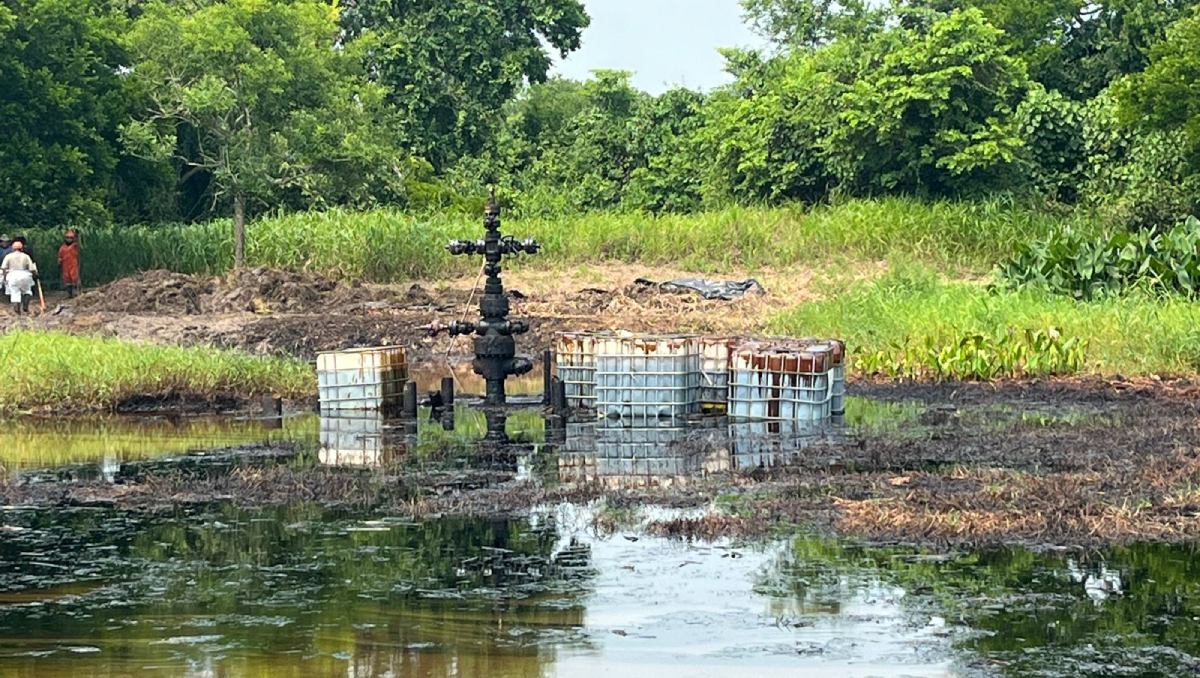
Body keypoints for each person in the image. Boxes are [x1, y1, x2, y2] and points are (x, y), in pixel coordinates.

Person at [1, 240, 37, 315]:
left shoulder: (8, 256)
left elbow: (3, 268)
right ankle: (25, 307)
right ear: (22, 248)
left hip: (12, 275)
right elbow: (32, 268)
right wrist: (35, 275)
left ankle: (17, 311)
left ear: (12, 248)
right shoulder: (26, 256)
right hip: (25, 274)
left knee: (14, 293)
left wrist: (5, 277)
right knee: (27, 291)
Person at [58, 229, 81, 298]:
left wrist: (77, 235)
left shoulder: (75, 246)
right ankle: (69, 294)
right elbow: (60, 256)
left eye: (71, 238)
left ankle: (76, 292)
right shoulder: (62, 248)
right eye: (67, 238)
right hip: (65, 265)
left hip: (73, 265)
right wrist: (59, 261)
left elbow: (79, 243)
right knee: (67, 279)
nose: (69, 239)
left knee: (74, 278)